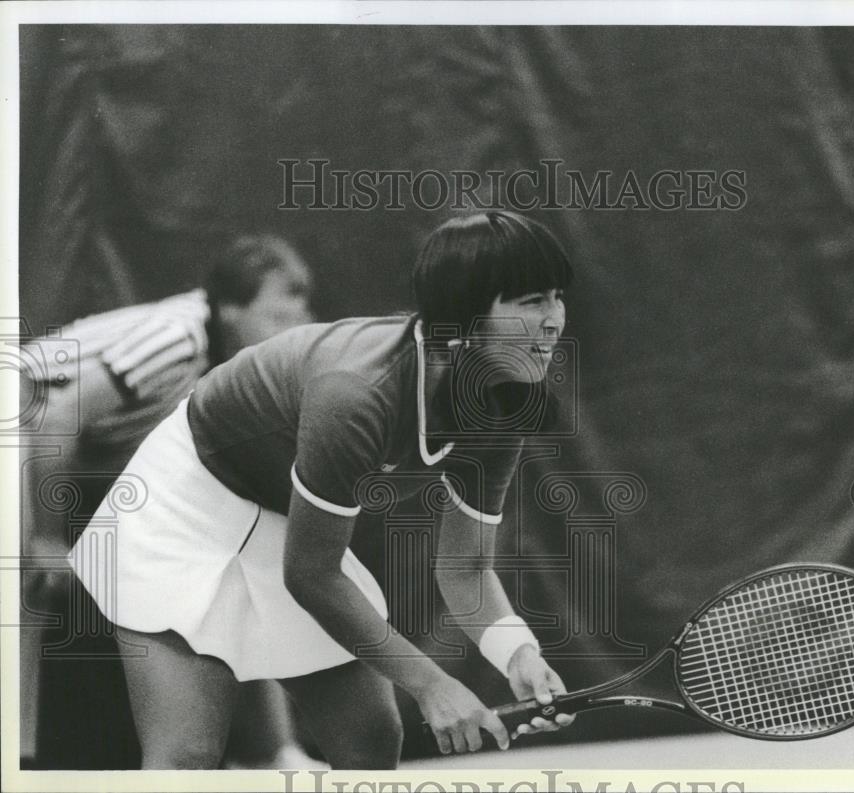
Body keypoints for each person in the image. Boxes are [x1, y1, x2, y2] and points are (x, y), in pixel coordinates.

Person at [67, 210, 577, 769]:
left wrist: (518, 654)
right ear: (463, 315)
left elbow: (465, 568)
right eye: (531, 302)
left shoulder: (509, 401)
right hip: (185, 504)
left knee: (372, 739)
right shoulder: (356, 392)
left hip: (280, 517)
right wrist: (432, 685)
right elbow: (312, 575)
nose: (554, 319)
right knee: (186, 758)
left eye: (555, 296)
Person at [20, 233, 317, 770]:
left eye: (301, 317)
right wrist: (45, 537)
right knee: (28, 601)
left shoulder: (230, 373)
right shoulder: (175, 338)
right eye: (277, 317)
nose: (293, 331)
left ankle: (273, 752)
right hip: (22, 426)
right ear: (229, 309)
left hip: (72, 449)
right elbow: (54, 418)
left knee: (230, 569)